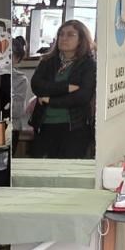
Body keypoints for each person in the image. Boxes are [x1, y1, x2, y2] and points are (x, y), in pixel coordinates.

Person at [28, 21, 97, 159]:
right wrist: (66, 87)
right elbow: (37, 86)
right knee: (42, 168)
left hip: (73, 127)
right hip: (44, 124)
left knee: (67, 168)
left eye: (70, 35)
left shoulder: (88, 64)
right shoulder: (47, 61)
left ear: (81, 40)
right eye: (61, 34)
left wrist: (50, 100)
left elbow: (82, 96)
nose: (64, 38)